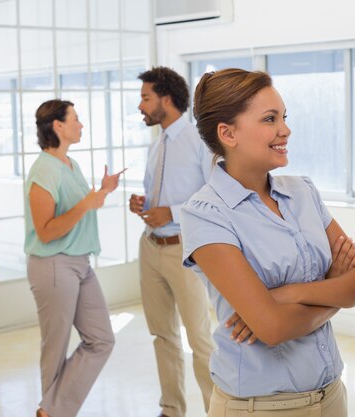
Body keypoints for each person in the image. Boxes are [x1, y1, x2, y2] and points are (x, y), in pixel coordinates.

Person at [180, 68, 355, 417]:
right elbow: (272, 327)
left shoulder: (303, 192)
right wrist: (332, 286)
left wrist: (287, 295)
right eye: (270, 119)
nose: (285, 129)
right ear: (227, 133)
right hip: (261, 408)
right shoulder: (206, 214)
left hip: (331, 396)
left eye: (284, 116)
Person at [25, 99, 125, 417]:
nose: (81, 125)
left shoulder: (70, 164)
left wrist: (103, 192)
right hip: (53, 265)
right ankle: (54, 412)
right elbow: (46, 231)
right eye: (76, 119)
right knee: (55, 349)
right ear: (58, 126)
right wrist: (87, 203)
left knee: (101, 339)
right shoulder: (43, 171)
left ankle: (51, 410)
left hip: (81, 263)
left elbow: (82, 208)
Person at [129, 66, 214, 417]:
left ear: (166, 99)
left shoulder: (199, 141)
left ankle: (217, 409)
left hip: (184, 250)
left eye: (145, 98)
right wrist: (144, 205)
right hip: (151, 247)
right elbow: (158, 196)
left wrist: (173, 213)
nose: (140, 106)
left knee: (200, 340)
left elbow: (212, 196)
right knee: (162, 335)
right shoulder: (157, 144)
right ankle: (171, 409)